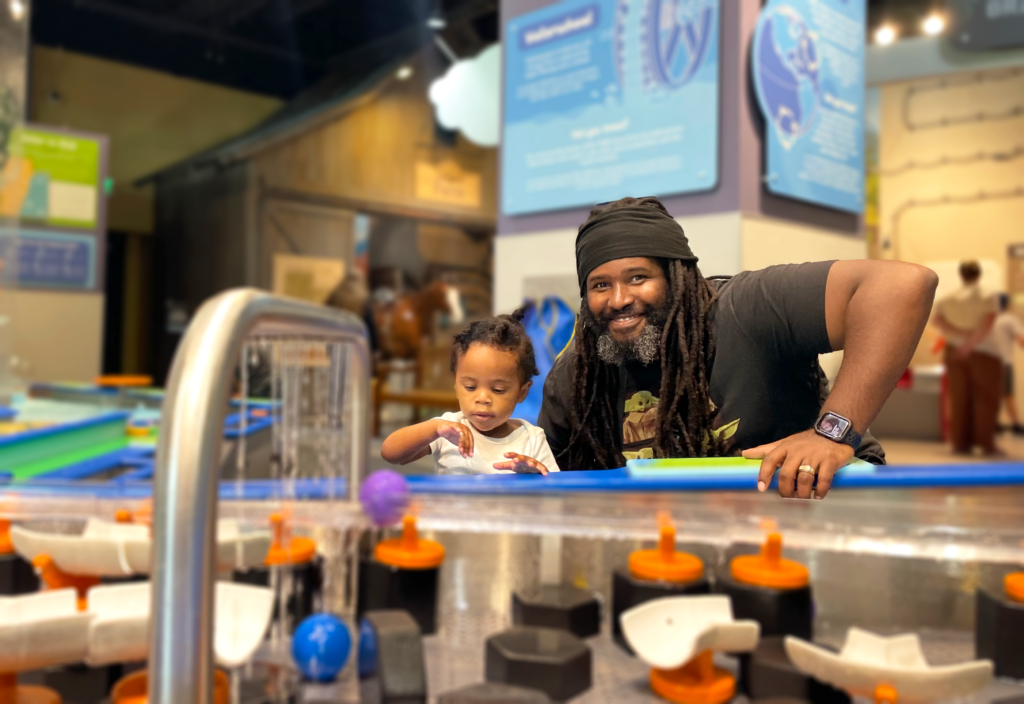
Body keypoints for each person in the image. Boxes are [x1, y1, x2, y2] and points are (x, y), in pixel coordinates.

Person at [538, 196, 938, 499]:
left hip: (817, 499)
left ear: (677, 276)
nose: (619, 298)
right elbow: (551, 480)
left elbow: (901, 287)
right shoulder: (575, 375)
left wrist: (833, 434)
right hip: (692, 520)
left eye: (638, 277)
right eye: (600, 285)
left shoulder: (744, 309)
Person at [381, 310, 559, 475]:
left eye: (498, 390)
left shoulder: (532, 439)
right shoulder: (448, 428)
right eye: (470, 387)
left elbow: (555, 492)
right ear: (456, 386)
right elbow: (390, 453)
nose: (482, 398)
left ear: (522, 392)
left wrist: (533, 475)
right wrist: (435, 429)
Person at [932, 261, 1002, 455]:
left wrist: (960, 336)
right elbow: (988, 323)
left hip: (954, 349)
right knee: (986, 398)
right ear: (979, 274)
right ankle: (986, 444)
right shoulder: (988, 295)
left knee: (959, 396)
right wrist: (971, 343)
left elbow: (937, 321)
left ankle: (961, 443)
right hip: (984, 352)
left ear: (961, 275)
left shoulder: (947, 297)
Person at [992, 293, 1024, 434]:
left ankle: (994, 424)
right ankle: (1016, 425)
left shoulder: (988, 319)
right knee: (1008, 393)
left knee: (992, 394)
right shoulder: (1009, 320)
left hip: (989, 362)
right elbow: (1021, 340)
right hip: (1005, 362)